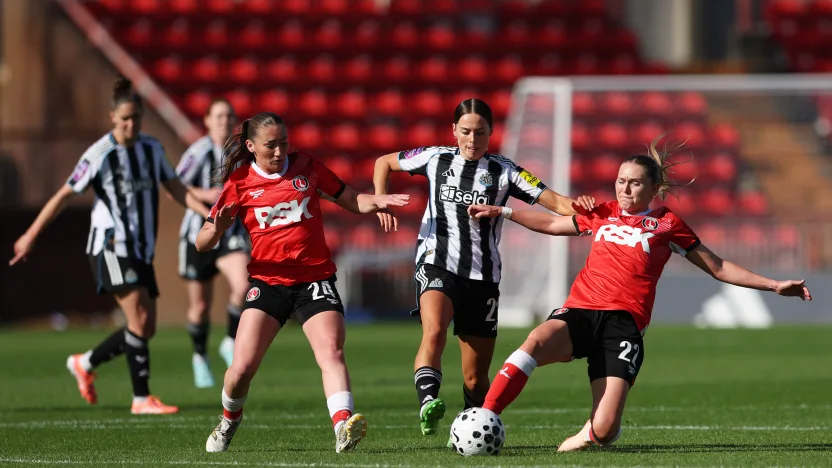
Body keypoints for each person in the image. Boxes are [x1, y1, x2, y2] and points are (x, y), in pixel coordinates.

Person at [468, 137, 812, 452]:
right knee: (534, 343)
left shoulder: (667, 224)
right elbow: (554, 225)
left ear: (653, 188)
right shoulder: (601, 213)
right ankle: (485, 417)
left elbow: (718, 267)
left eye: (634, 183)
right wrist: (506, 212)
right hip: (581, 311)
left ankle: (594, 430)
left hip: (623, 327)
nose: (625, 189)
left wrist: (774, 285)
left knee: (603, 431)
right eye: (620, 181)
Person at [372, 98, 594, 439]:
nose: (472, 139)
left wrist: (588, 209)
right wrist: (380, 198)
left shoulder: (505, 171)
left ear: (491, 132)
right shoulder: (435, 158)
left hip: (483, 277)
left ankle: (466, 427)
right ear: (453, 131)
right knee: (434, 331)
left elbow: (557, 202)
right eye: (465, 131)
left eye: (479, 132)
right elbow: (384, 162)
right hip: (437, 262)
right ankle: (428, 401)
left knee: (475, 378)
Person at [199, 112, 410, 453]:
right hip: (268, 284)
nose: (280, 151)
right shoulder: (238, 183)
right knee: (239, 372)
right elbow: (202, 242)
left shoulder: (307, 167)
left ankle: (343, 426)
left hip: (315, 279)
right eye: (271, 145)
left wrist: (376, 201)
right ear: (251, 146)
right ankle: (228, 421)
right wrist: (217, 227)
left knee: (331, 351)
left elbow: (349, 198)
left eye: (284, 143)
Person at [9, 76, 210, 414]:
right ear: (112, 118)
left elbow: (176, 188)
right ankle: (141, 398)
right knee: (138, 316)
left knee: (146, 326)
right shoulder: (99, 155)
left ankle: (85, 363)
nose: (132, 124)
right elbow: (63, 195)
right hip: (110, 245)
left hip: (141, 249)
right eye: (125, 118)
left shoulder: (152, 149)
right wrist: (31, 234)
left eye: (136, 118)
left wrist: (206, 214)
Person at [176, 98, 250, 388]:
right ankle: (199, 357)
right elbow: (176, 185)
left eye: (229, 115)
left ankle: (230, 341)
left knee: (244, 285)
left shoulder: (240, 152)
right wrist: (207, 197)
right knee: (201, 307)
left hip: (230, 234)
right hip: (199, 234)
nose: (224, 120)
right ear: (206, 120)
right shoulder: (197, 153)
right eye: (218, 115)